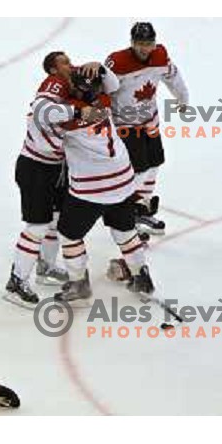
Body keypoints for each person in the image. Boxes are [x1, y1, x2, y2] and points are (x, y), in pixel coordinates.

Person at [53, 67, 154, 303]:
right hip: (122, 178)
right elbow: (113, 84)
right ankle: (142, 277)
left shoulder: (66, 117)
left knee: (69, 234)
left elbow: (42, 115)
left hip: (92, 187)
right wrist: (99, 67)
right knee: (125, 231)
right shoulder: (105, 100)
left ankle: (78, 284)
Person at [4, 52, 96, 308]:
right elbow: (40, 110)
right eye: (64, 62)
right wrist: (78, 111)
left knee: (55, 222)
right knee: (37, 226)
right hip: (35, 168)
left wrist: (98, 66)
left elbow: (102, 80)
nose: (71, 64)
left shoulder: (70, 77)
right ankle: (16, 283)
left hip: (56, 168)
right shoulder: (53, 86)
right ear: (54, 70)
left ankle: (45, 268)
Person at [105, 22, 189, 236]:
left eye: (148, 43)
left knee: (154, 163)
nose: (145, 48)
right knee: (138, 169)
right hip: (125, 124)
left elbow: (173, 76)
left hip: (150, 120)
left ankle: (141, 207)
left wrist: (182, 98)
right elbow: (102, 90)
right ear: (132, 43)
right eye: (140, 44)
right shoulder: (117, 61)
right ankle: (126, 214)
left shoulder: (160, 56)